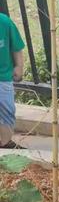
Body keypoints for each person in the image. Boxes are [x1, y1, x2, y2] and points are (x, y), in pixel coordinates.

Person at [0, 13, 25, 148]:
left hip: (3, 77)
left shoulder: (4, 22)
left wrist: (19, 66)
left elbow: (16, 47)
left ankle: (6, 143)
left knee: (7, 112)